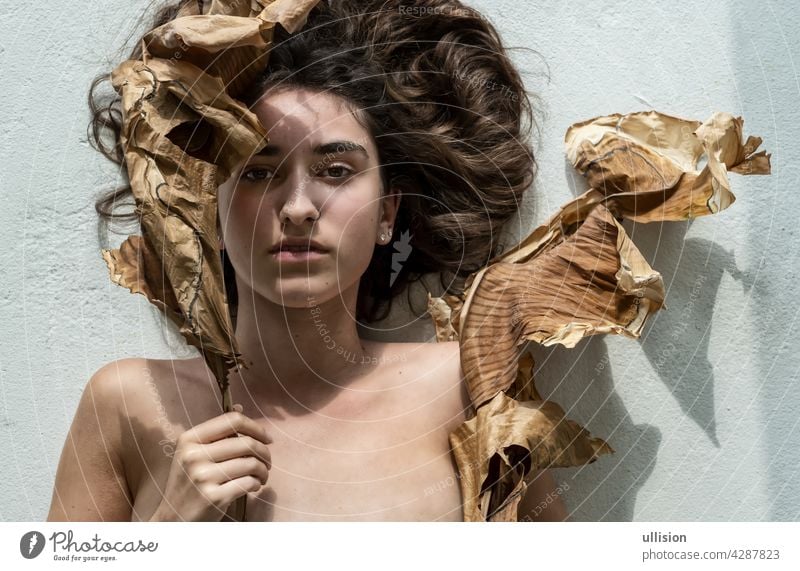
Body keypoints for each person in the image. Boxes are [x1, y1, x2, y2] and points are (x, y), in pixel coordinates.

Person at [47, 0, 567, 522]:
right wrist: (167, 531)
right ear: (210, 211)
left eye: (336, 170)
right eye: (256, 172)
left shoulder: (468, 386)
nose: (297, 207)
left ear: (387, 212)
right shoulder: (128, 405)